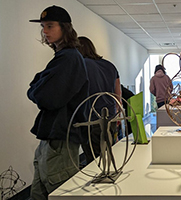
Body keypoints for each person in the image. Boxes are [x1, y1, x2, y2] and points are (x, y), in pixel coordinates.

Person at [28, 5, 89, 200]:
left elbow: (45, 96)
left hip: (60, 139)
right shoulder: (63, 58)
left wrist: (36, 86)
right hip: (53, 136)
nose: (45, 32)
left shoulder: (69, 58)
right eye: (43, 27)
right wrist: (38, 85)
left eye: (50, 26)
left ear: (65, 28)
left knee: (58, 192)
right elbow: (39, 88)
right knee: (40, 192)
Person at [77, 36, 121, 165]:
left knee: (94, 160)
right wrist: (117, 113)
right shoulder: (110, 65)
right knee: (110, 153)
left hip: (91, 118)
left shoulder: (82, 65)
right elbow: (118, 94)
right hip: (110, 116)